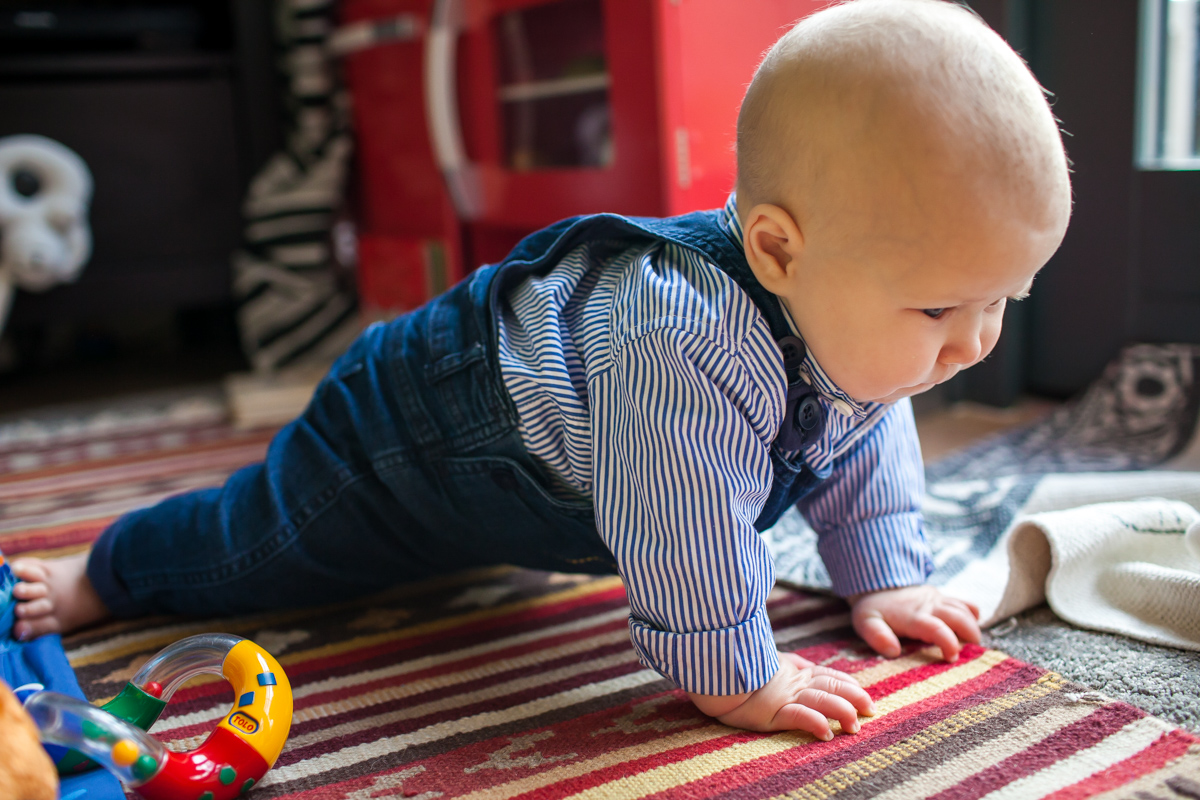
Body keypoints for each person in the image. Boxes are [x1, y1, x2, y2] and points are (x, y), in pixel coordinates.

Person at [8, 0, 1071, 739]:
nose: (974, 342)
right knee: (260, 543)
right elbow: (684, 530)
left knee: (867, 388)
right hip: (405, 435)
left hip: (525, 458)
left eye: (1002, 302)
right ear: (778, 249)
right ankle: (102, 572)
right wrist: (741, 674)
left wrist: (882, 566)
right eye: (940, 307)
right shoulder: (682, 347)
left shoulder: (846, 322)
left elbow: (864, 421)